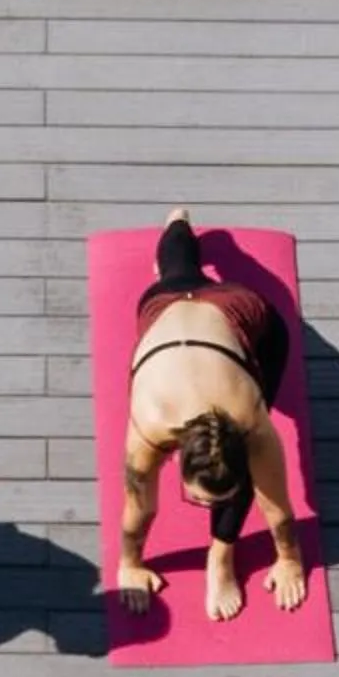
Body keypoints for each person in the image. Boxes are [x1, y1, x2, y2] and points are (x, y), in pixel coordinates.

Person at [121, 209, 309, 627]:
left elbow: (277, 507)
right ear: (176, 454)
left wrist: (289, 560)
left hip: (244, 315)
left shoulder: (250, 419)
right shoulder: (150, 425)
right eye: (199, 498)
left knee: (250, 472)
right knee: (176, 269)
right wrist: (128, 565)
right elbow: (138, 508)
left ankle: (220, 557)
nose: (201, 505)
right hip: (166, 305)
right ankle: (178, 221)